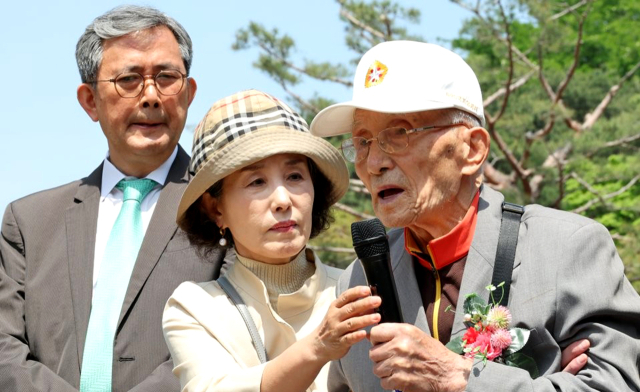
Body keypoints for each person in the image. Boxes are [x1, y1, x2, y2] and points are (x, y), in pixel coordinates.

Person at [309, 40, 640, 392]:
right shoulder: (359, 281)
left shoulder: (565, 249)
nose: (374, 163)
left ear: (473, 149)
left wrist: (461, 379)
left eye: (399, 134)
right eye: (362, 142)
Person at [0, 5, 228, 392]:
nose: (152, 96)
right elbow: (5, 348)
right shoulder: (29, 222)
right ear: (90, 101)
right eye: (129, 79)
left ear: (188, 94)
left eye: (167, 77)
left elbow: (232, 330)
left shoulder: (224, 207)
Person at [162, 89, 381, 392]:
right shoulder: (196, 308)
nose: (283, 200)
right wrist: (318, 347)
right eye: (257, 182)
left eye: (294, 176)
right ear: (216, 208)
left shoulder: (358, 290)